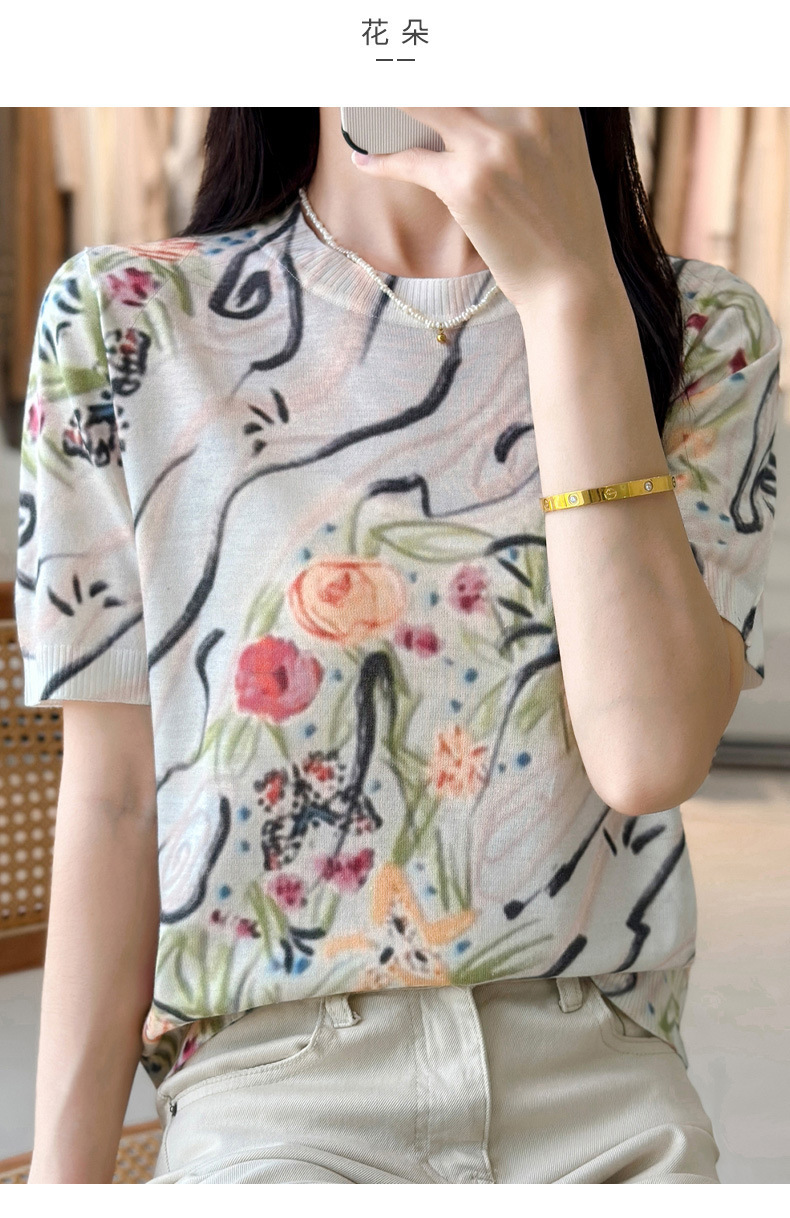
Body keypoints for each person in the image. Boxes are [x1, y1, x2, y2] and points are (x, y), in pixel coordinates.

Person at [15, 108, 781, 1184]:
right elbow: (115, 803)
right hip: (275, 1095)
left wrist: (570, 297)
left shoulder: (702, 330)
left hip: (601, 1093)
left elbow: (647, 757)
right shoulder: (127, 318)